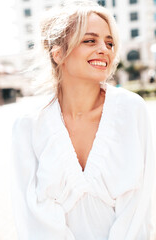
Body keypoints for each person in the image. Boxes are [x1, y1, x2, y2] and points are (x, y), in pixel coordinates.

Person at [11, 1, 156, 239]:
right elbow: (29, 217)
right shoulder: (28, 125)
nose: (104, 49)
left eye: (109, 43)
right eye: (90, 40)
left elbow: (138, 208)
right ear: (58, 54)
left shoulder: (131, 110)